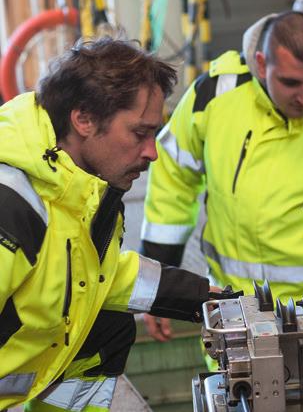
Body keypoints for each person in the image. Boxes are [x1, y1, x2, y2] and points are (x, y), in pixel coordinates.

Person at [140, 11, 303, 340]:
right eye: (290, 82)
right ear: (260, 64)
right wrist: (158, 287)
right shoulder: (213, 98)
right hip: (231, 314)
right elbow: (172, 183)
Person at [0, 38, 212, 411]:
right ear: (83, 119)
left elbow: (92, 275)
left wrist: (203, 298)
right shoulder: (12, 205)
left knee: (108, 330)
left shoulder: (81, 187)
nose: (152, 152)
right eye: (139, 133)